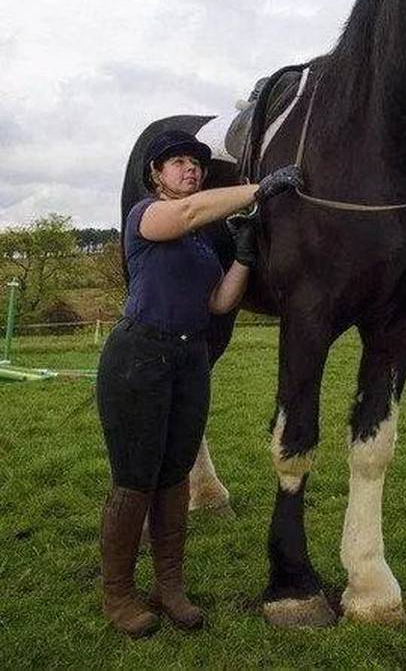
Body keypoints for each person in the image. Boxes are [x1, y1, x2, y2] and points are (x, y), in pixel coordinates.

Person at [96, 129, 299, 637]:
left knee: (175, 477)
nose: (190, 169)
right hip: (139, 356)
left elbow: (219, 304)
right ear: (156, 175)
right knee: (134, 479)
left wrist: (244, 257)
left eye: (196, 163)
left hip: (191, 357)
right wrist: (260, 187)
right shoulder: (146, 216)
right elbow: (188, 213)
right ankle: (118, 595)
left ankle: (170, 586)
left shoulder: (204, 240)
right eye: (178, 162)